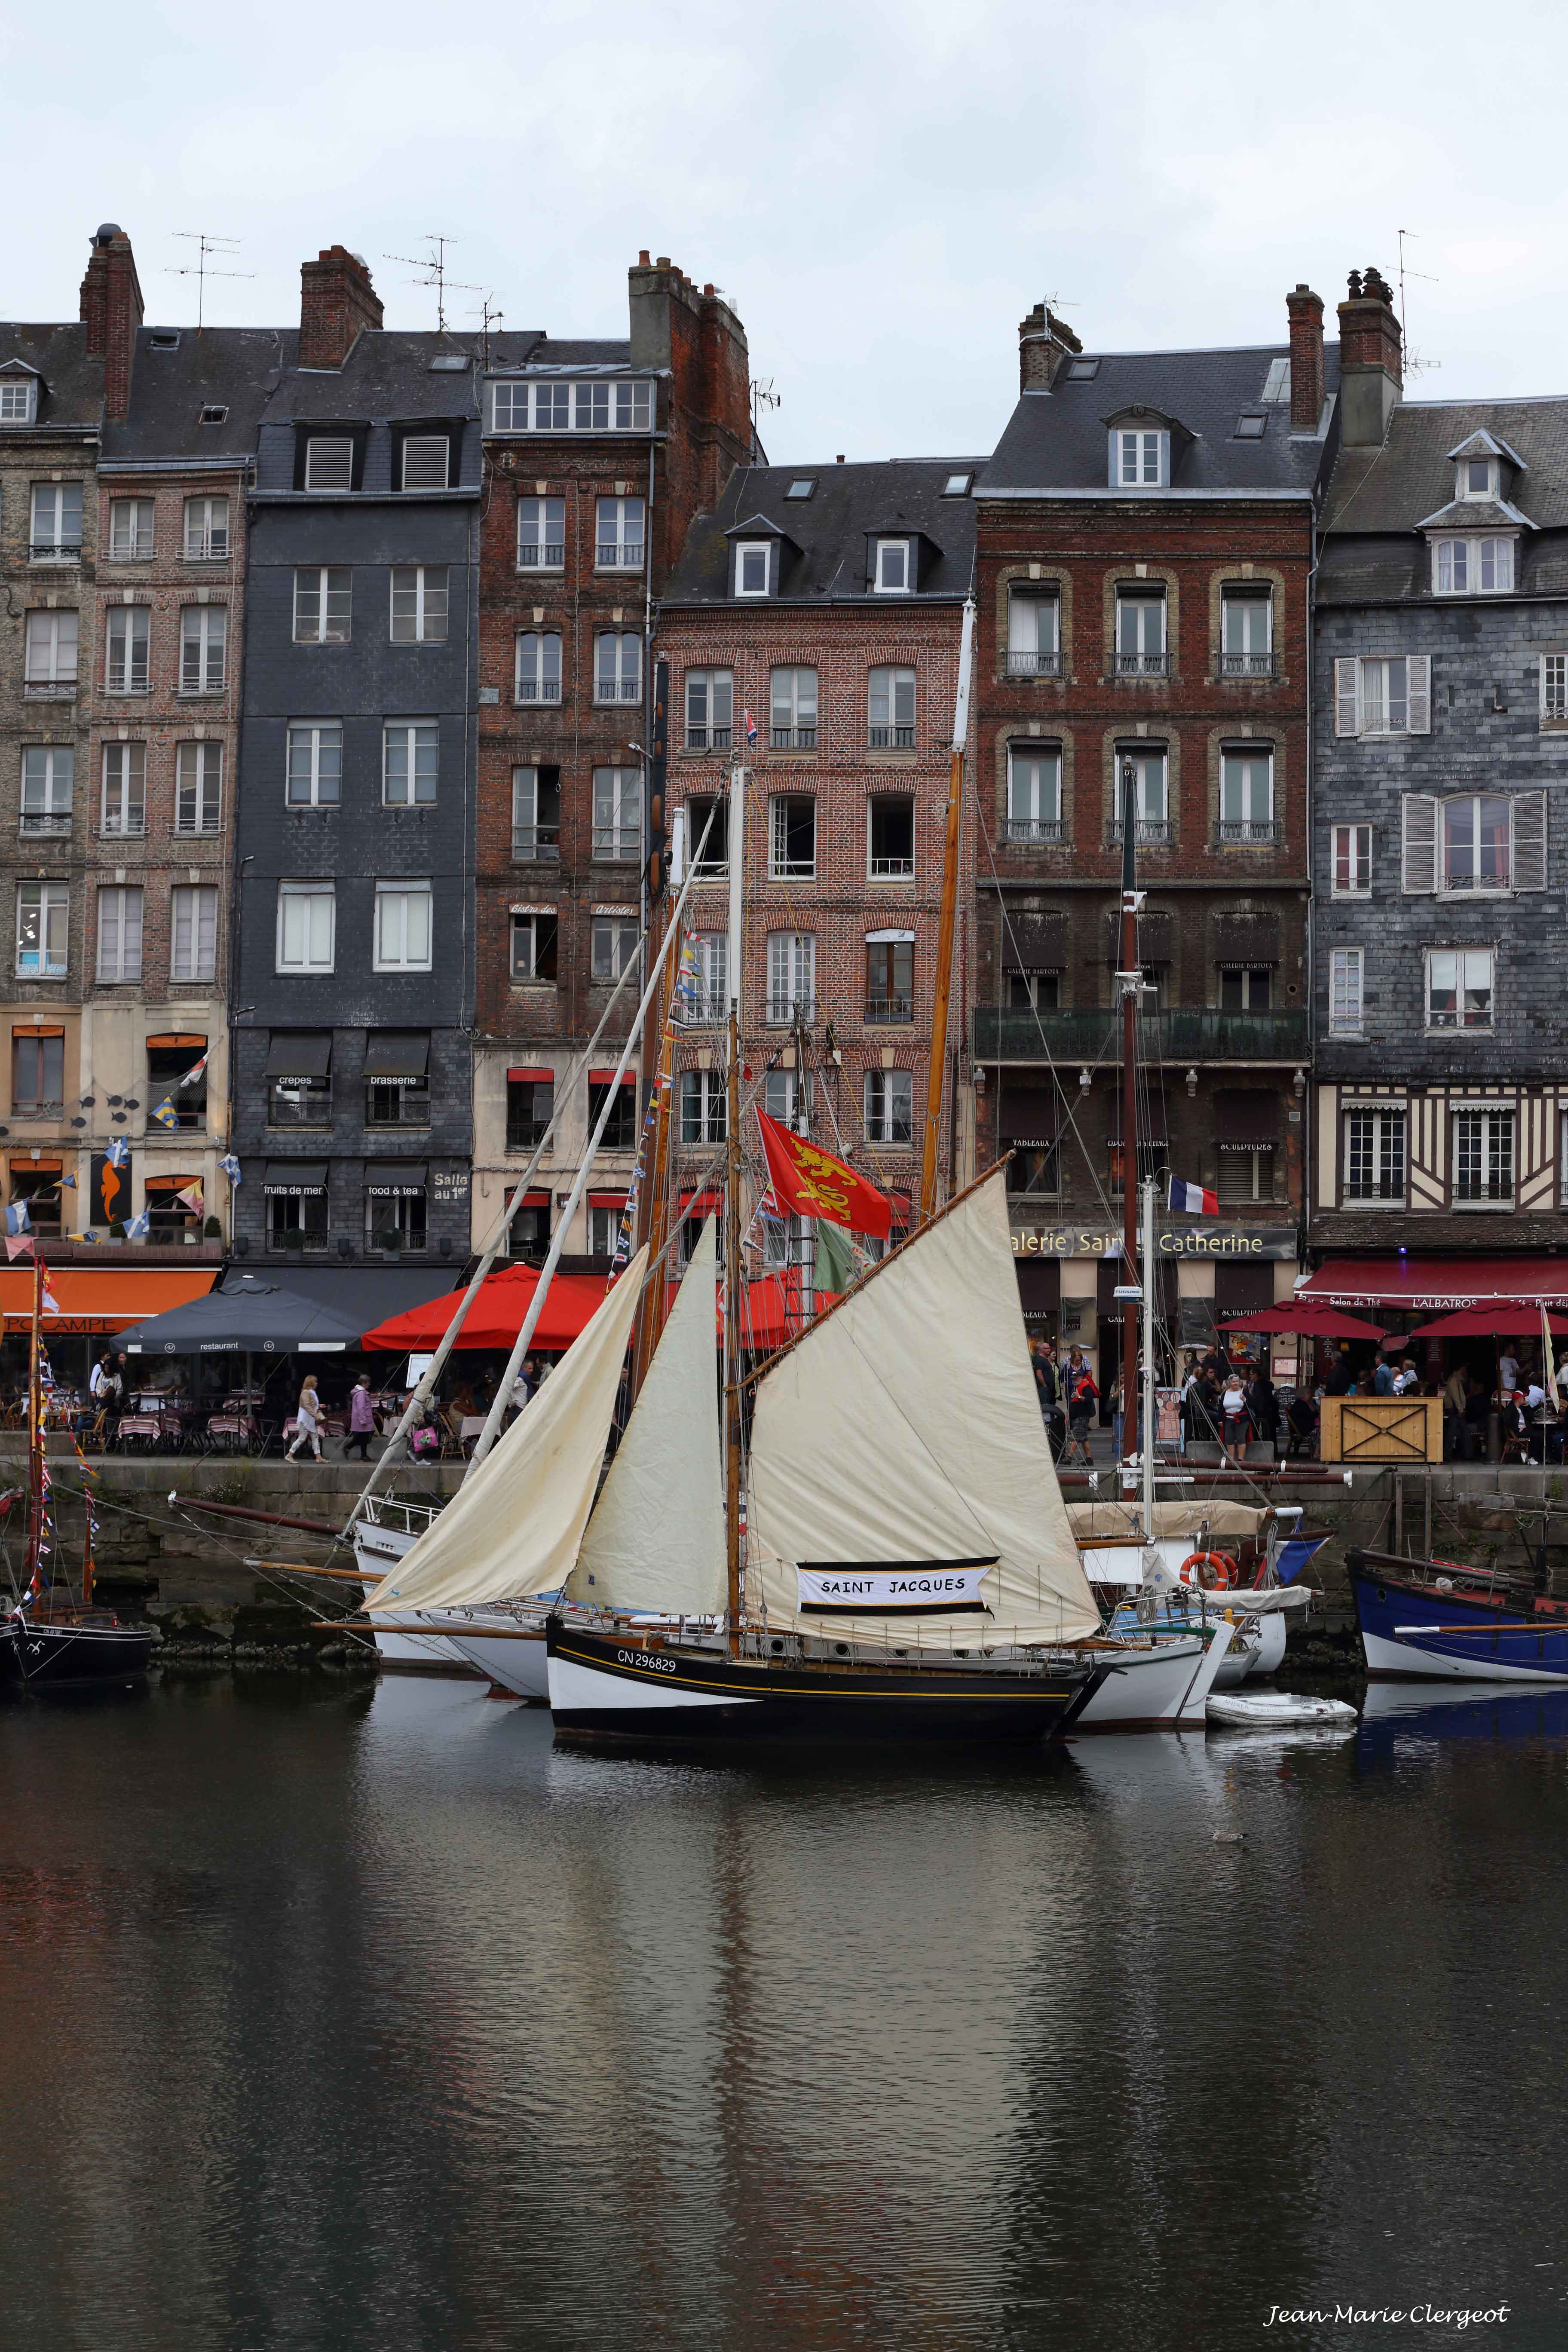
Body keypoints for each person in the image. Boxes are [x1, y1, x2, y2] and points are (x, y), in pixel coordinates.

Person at [1064, 1359, 1098, 1465]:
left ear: (1081, 1378)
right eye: (1073, 1379)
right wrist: (1068, 1415)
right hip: (1076, 1416)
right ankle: (1089, 1459)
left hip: (1082, 1416)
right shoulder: (1075, 1387)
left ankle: (1069, 1457)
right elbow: (1071, 1403)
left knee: (1076, 1436)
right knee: (1084, 1438)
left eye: (1077, 1378)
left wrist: (1080, 1397)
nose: (1074, 1380)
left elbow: (1088, 1399)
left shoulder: (1086, 1387)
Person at [287, 1372, 323, 1462]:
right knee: (302, 1438)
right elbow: (307, 1406)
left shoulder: (312, 1393)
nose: (317, 1383)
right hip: (305, 1419)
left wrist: (319, 1406)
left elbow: (312, 1404)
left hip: (310, 1419)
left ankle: (319, 1458)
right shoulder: (305, 1393)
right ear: (311, 1383)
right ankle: (289, 1455)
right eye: (315, 1382)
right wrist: (315, 1415)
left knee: (315, 1437)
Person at [343, 1374, 378, 1462]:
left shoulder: (359, 1392)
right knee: (363, 1437)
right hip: (362, 1419)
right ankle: (359, 1453)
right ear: (363, 1383)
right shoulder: (362, 1393)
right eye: (368, 1383)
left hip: (360, 1419)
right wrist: (363, 1420)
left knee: (362, 1437)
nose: (369, 1385)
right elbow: (361, 1408)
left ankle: (362, 1454)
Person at [1220, 1371, 1250, 1467]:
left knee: (1241, 1438)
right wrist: (1220, 1420)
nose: (1236, 1383)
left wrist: (1244, 1399)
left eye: (1237, 1381)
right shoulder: (1225, 1393)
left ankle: (1241, 1459)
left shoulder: (1244, 1392)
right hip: (1228, 1418)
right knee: (1229, 1438)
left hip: (1241, 1419)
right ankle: (1231, 1459)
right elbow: (1221, 1407)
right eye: (1233, 1382)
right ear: (1229, 1383)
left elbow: (1252, 1404)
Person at [1248, 1367, 1280, 1456]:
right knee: (1270, 1433)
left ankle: (1255, 1452)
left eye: (1252, 1373)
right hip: (1270, 1410)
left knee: (1255, 1430)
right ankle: (1273, 1452)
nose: (1250, 1376)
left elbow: (1258, 1399)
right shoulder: (1267, 1383)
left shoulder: (1257, 1384)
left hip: (1261, 1411)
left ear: (1256, 1374)